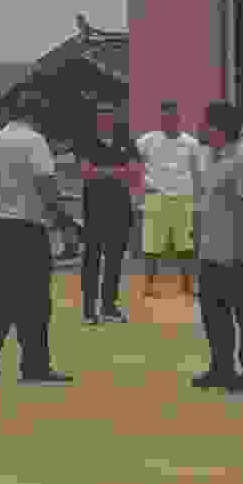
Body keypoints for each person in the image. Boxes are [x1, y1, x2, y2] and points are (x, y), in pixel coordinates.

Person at [0, 99, 75, 383]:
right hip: (27, 227)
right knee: (35, 301)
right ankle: (34, 365)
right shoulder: (35, 141)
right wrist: (63, 219)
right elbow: (45, 185)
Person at [187, 102, 243, 391]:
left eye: (205, 123)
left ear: (219, 128)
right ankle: (221, 369)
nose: (200, 128)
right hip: (212, 254)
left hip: (239, 256)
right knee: (215, 317)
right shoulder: (210, 161)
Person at [135, 99, 203, 317]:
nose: (169, 120)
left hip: (183, 199)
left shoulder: (191, 143)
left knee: (186, 245)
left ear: (179, 118)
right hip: (155, 200)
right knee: (152, 246)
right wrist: (143, 187)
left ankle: (187, 285)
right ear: (160, 118)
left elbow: (198, 173)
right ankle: (149, 285)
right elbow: (133, 165)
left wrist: (199, 200)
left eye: (173, 116)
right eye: (165, 116)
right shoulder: (146, 141)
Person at [72, 108, 141, 324]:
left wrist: (100, 171)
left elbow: (135, 174)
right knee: (91, 261)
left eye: (108, 117)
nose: (105, 121)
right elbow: (85, 173)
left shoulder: (126, 141)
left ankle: (109, 307)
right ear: (96, 121)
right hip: (94, 211)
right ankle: (88, 310)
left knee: (114, 261)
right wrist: (118, 171)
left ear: (113, 120)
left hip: (120, 210)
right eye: (101, 117)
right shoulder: (86, 142)